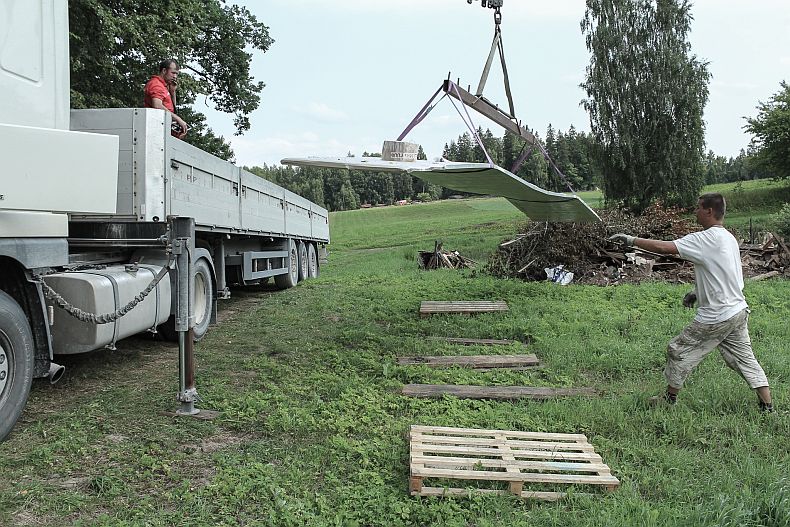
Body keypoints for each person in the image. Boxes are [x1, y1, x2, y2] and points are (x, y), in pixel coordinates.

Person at [610, 193, 773, 412]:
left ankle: (669, 399)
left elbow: (664, 248)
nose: (695, 211)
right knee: (744, 358)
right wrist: (697, 292)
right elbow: (725, 274)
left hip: (716, 316)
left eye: (698, 208)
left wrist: (631, 240)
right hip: (737, 311)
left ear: (709, 211)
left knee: (678, 349)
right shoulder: (728, 238)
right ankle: (767, 406)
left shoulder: (706, 238)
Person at [144, 59, 188, 139]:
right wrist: (178, 119)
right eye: (173, 73)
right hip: (156, 128)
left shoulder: (164, 86)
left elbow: (172, 109)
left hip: (163, 127)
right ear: (164, 70)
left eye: (177, 74)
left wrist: (172, 92)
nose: (175, 76)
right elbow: (157, 105)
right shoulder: (156, 84)